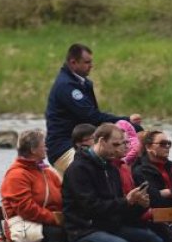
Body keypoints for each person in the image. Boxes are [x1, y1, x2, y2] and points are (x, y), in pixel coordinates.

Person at [62, 123, 164, 242]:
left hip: (109, 227)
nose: (118, 149)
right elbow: (92, 207)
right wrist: (126, 201)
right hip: (84, 229)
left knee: (154, 240)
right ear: (101, 141)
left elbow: (118, 209)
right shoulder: (78, 169)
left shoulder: (111, 168)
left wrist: (139, 205)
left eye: (120, 144)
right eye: (115, 145)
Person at [45, 43, 142, 177]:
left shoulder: (82, 83)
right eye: (87, 62)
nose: (91, 65)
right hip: (63, 147)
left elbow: (94, 119)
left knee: (135, 135)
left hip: (82, 142)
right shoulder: (66, 86)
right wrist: (126, 121)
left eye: (91, 62)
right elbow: (92, 117)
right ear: (73, 62)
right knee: (98, 169)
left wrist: (129, 126)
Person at [0, 129, 67, 242]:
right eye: (43, 146)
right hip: (22, 226)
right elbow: (26, 209)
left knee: (77, 230)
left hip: (45, 223)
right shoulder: (16, 175)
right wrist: (54, 218)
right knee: (57, 233)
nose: (46, 148)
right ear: (33, 150)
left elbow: (64, 198)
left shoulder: (48, 173)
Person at [132, 130, 172, 208]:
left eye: (169, 143)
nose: (167, 146)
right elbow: (153, 200)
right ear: (148, 147)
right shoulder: (140, 170)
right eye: (162, 143)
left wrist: (166, 193)